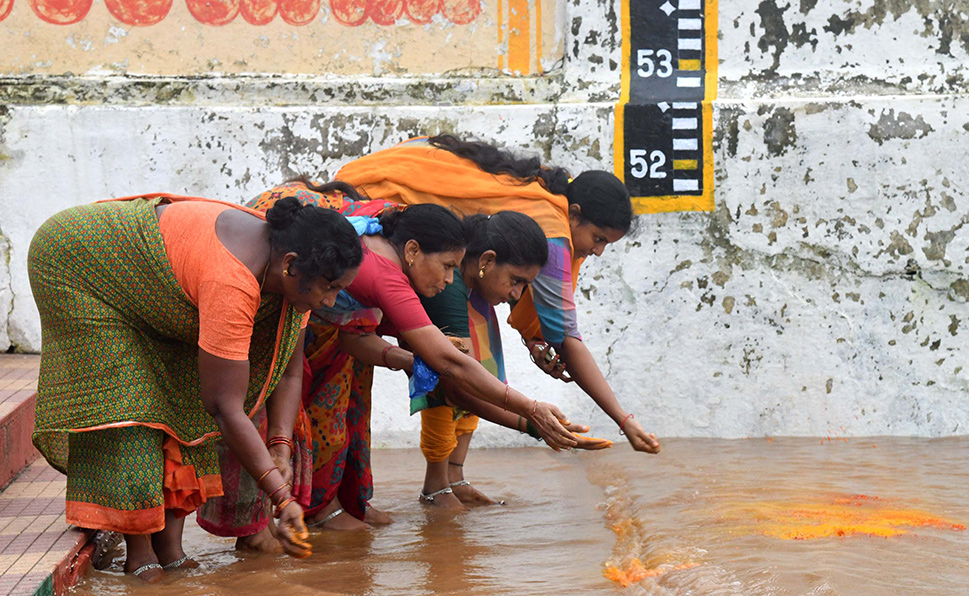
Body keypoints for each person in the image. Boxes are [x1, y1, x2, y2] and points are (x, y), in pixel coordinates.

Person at [28, 194, 363, 582]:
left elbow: (288, 372)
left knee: (185, 395)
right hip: (80, 265)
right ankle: (140, 556)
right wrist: (281, 496)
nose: (330, 300)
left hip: (153, 286)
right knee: (130, 406)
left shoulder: (292, 271)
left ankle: (170, 550)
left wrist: (280, 445)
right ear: (290, 266)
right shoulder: (232, 279)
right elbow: (224, 407)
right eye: (330, 288)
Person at [241, 182, 579, 531]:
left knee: (337, 416)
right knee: (272, 410)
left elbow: (354, 338)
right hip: (270, 291)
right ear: (413, 250)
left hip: (310, 319)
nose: (449, 281)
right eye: (447, 267)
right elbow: (451, 365)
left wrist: (408, 360)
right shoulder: (387, 277)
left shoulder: (389, 250)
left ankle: (320, 508)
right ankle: (272, 522)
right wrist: (531, 411)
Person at [336, 134, 662, 458]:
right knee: (450, 362)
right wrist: (620, 419)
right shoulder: (552, 232)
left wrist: (534, 344)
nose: (599, 251)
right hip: (362, 217)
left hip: (393, 236)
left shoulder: (537, 204)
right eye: (598, 238)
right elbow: (561, 340)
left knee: (470, 359)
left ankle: (452, 477)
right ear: (573, 214)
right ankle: (439, 483)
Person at [416, 212, 614, 510]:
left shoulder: (474, 286)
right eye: (516, 281)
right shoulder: (449, 287)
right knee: (451, 382)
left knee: (481, 369)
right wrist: (532, 422)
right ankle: (436, 489)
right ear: (486, 261)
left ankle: (453, 480)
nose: (517, 294)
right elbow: (456, 387)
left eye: (525, 285)